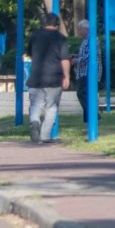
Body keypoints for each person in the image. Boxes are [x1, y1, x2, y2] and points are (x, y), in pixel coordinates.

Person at [25, 11, 70, 143]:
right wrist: (66, 76)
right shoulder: (61, 38)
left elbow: (30, 53)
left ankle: (34, 121)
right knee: (51, 107)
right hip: (54, 78)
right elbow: (65, 59)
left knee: (35, 104)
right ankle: (45, 136)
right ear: (57, 24)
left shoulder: (35, 36)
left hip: (36, 77)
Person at [71, 20, 102, 122]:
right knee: (85, 93)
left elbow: (89, 57)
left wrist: (76, 61)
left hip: (88, 71)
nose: (79, 32)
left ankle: (93, 114)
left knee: (82, 93)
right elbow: (85, 55)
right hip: (84, 71)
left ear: (86, 29)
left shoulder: (91, 40)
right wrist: (76, 56)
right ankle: (88, 117)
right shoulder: (86, 40)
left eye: (80, 29)